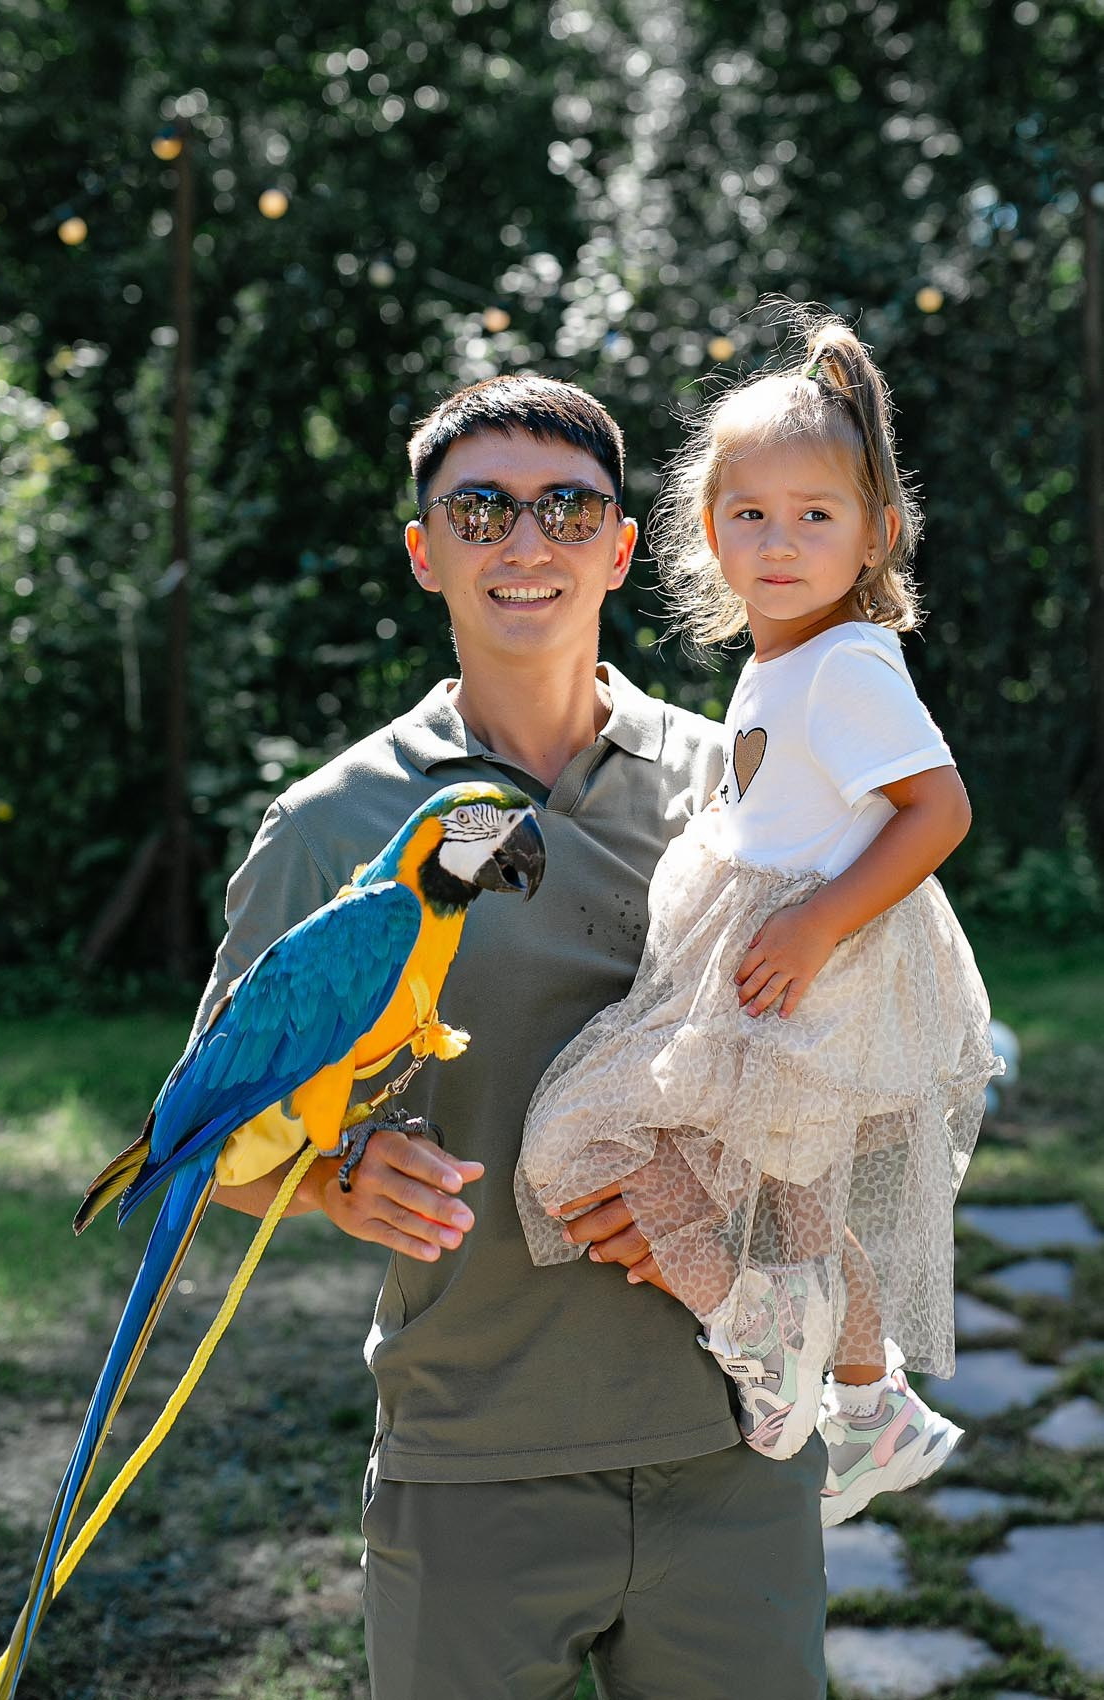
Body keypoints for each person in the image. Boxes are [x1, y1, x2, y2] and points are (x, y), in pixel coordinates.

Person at [195, 373, 828, 1699]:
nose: (524, 543)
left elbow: (871, 1083)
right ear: (425, 552)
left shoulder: (750, 786)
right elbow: (206, 1157)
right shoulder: (330, 828)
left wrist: (715, 1190)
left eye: (564, 508)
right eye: (478, 511)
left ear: (621, 546)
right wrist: (333, 1179)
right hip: (471, 1462)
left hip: (735, 1449)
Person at [517, 318, 999, 1528]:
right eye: (749, 516)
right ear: (708, 530)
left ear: (874, 531)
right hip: (777, 954)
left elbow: (936, 809)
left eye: (815, 516)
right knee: (794, 1196)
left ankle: (756, 1323)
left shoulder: (844, 663)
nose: (778, 543)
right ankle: (865, 1398)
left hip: (815, 964)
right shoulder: (779, 662)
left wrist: (818, 924)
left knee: (572, 1135)